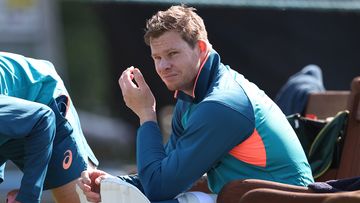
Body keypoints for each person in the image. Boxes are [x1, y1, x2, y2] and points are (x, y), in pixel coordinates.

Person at [77, 5, 314, 203]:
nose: (163, 66)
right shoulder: (192, 95)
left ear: (200, 48)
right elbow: (164, 173)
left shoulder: (221, 104)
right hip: (245, 195)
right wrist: (113, 183)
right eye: (157, 58)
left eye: (172, 54)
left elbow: (159, 188)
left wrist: (146, 113)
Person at [0, 52, 99, 203]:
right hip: (13, 114)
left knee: (82, 196)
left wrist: (28, 197)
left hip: (43, 99)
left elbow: (44, 119)